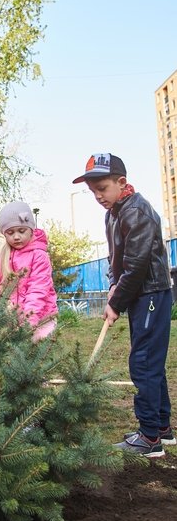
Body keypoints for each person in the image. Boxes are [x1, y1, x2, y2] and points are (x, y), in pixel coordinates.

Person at [72, 152, 174, 457]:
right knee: (150, 360)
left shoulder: (137, 212)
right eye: (93, 191)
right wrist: (112, 284)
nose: (98, 196)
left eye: (102, 188)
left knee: (143, 362)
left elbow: (137, 265)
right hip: (138, 293)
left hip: (151, 293)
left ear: (121, 182)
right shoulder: (113, 214)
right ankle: (162, 428)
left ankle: (149, 438)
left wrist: (116, 302)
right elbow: (115, 260)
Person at [0, 201, 58, 341]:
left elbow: (38, 290)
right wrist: (1, 307)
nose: (16, 236)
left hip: (41, 318)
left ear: (31, 230)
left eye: (21, 231)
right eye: (10, 233)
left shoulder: (39, 255)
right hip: (11, 320)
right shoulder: (1, 258)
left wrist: (28, 322)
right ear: (4, 235)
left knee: (35, 350)